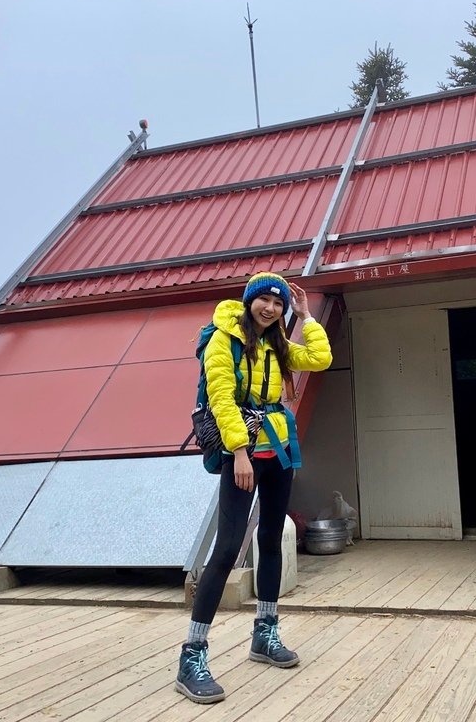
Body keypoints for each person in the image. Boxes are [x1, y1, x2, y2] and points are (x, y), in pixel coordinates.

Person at [175, 272, 332, 704]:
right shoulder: (222, 341)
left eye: (278, 303)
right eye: (263, 299)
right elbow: (222, 399)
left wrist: (306, 316)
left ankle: (265, 633)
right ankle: (192, 655)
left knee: (271, 540)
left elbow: (319, 358)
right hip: (243, 453)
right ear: (248, 302)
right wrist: (239, 452)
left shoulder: (276, 345)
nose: (271, 308)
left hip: (279, 450)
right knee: (227, 547)